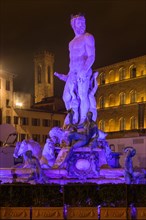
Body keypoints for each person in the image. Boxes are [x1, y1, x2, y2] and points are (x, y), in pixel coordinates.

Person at [54, 14, 95, 124]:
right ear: (73, 25)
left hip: (84, 70)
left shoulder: (88, 37)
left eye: (84, 22)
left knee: (82, 95)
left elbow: (91, 56)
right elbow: (72, 61)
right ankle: (72, 116)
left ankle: (82, 120)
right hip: (72, 73)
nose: (82, 25)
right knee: (66, 97)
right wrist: (66, 76)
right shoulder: (71, 43)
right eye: (79, 23)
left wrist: (84, 70)